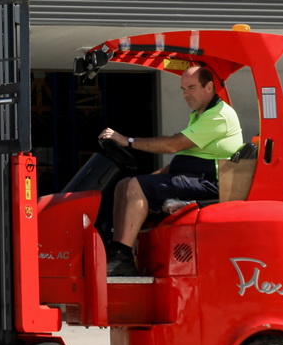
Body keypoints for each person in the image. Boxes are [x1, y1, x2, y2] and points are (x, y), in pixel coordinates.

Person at [95, 63, 244, 276]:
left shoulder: (218, 115)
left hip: (211, 183)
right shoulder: (201, 113)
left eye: (192, 88)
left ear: (209, 86)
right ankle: (119, 251)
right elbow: (187, 157)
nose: (186, 94)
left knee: (137, 186)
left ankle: (123, 259)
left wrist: (127, 141)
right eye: (183, 89)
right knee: (124, 184)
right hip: (196, 177)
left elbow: (173, 145)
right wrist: (154, 176)